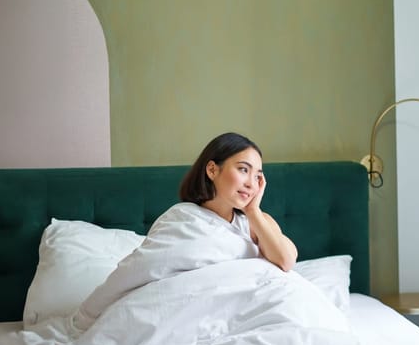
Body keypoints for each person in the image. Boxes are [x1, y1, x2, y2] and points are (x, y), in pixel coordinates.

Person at [69, 132, 298, 334]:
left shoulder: (256, 220)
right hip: (192, 317)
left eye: (258, 176)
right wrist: (88, 314)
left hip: (247, 314)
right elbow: (140, 268)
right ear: (212, 169)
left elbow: (287, 260)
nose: (251, 183)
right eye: (243, 170)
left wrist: (253, 210)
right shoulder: (182, 219)